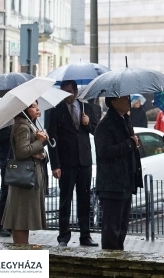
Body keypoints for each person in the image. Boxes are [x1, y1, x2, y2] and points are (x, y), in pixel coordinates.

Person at [46, 80, 100, 247]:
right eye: (63, 92)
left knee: (84, 200)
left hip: (84, 162)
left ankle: (85, 235)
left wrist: (87, 123)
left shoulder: (87, 108)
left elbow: (97, 131)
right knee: (65, 200)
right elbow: (52, 139)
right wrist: (55, 165)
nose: (67, 96)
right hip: (66, 162)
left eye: (69, 92)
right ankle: (63, 236)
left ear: (75, 92)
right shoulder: (55, 110)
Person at [94, 96, 142, 250]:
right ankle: (109, 257)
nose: (129, 101)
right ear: (114, 102)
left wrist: (133, 143)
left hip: (125, 181)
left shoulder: (125, 120)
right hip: (112, 184)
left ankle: (118, 255)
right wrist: (129, 143)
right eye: (125, 98)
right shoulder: (105, 124)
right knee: (112, 228)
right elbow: (104, 151)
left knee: (122, 226)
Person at [2, 101, 50, 245]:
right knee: (21, 219)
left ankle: (22, 249)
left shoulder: (30, 125)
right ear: (24, 110)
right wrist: (39, 142)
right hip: (25, 179)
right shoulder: (22, 126)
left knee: (23, 219)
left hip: (30, 177)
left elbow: (38, 152)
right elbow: (21, 152)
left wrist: (42, 151)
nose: (37, 108)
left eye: (36, 105)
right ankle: (21, 251)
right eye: (32, 106)